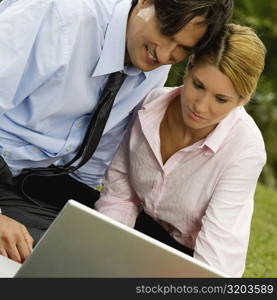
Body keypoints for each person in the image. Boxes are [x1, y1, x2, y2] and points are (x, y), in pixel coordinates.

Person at [0, 0, 233, 263]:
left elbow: (91, 166)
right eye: (166, 33)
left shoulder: (154, 68)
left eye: (182, 48)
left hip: (37, 184)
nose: (165, 53)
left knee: (139, 260)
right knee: (52, 261)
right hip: (5, 172)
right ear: (145, 2)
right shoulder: (60, 16)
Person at [95, 23, 267, 277]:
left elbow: (216, 254)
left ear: (242, 100)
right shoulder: (149, 107)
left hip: (190, 259)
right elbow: (119, 197)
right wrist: (103, 253)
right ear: (189, 69)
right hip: (140, 236)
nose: (201, 106)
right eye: (198, 85)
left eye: (221, 99)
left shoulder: (245, 149)